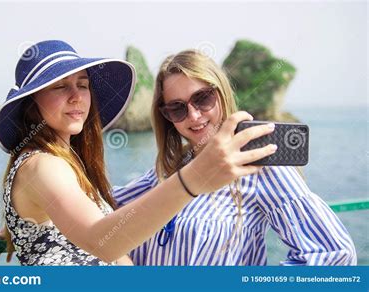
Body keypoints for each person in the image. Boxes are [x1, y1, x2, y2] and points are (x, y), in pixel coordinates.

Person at [0, 40, 277, 265]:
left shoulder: (63, 167)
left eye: (83, 85)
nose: (76, 96)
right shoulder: (42, 166)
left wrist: (31, 222)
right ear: (31, 103)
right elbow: (102, 242)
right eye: (60, 86)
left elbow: (115, 211)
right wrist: (196, 178)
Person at [112, 49, 357, 265]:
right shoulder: (166, 170)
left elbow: (333, 253)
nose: (194, 116)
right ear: (165, 116)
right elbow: (101, 213)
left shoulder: (258, 163)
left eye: (202, 98)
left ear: (221, 93)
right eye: (177, 108)